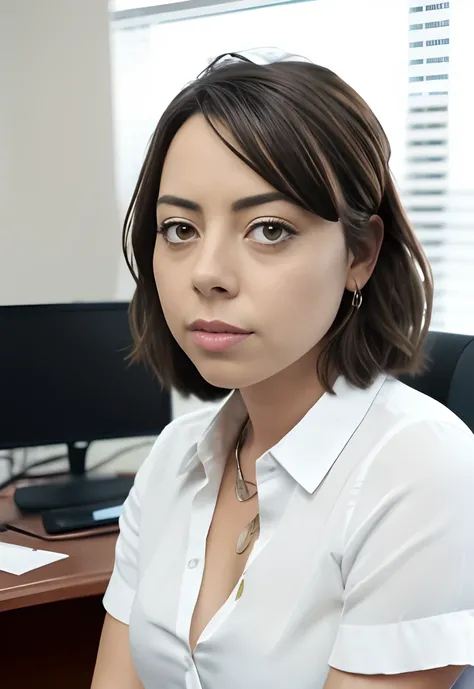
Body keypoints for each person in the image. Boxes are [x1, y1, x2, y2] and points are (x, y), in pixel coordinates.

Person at [91, 49, 474, 689]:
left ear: (360, 253)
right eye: (179, 228)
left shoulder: (422, 470)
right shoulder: (173, 458)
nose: (207, 273)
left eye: (269, 229)